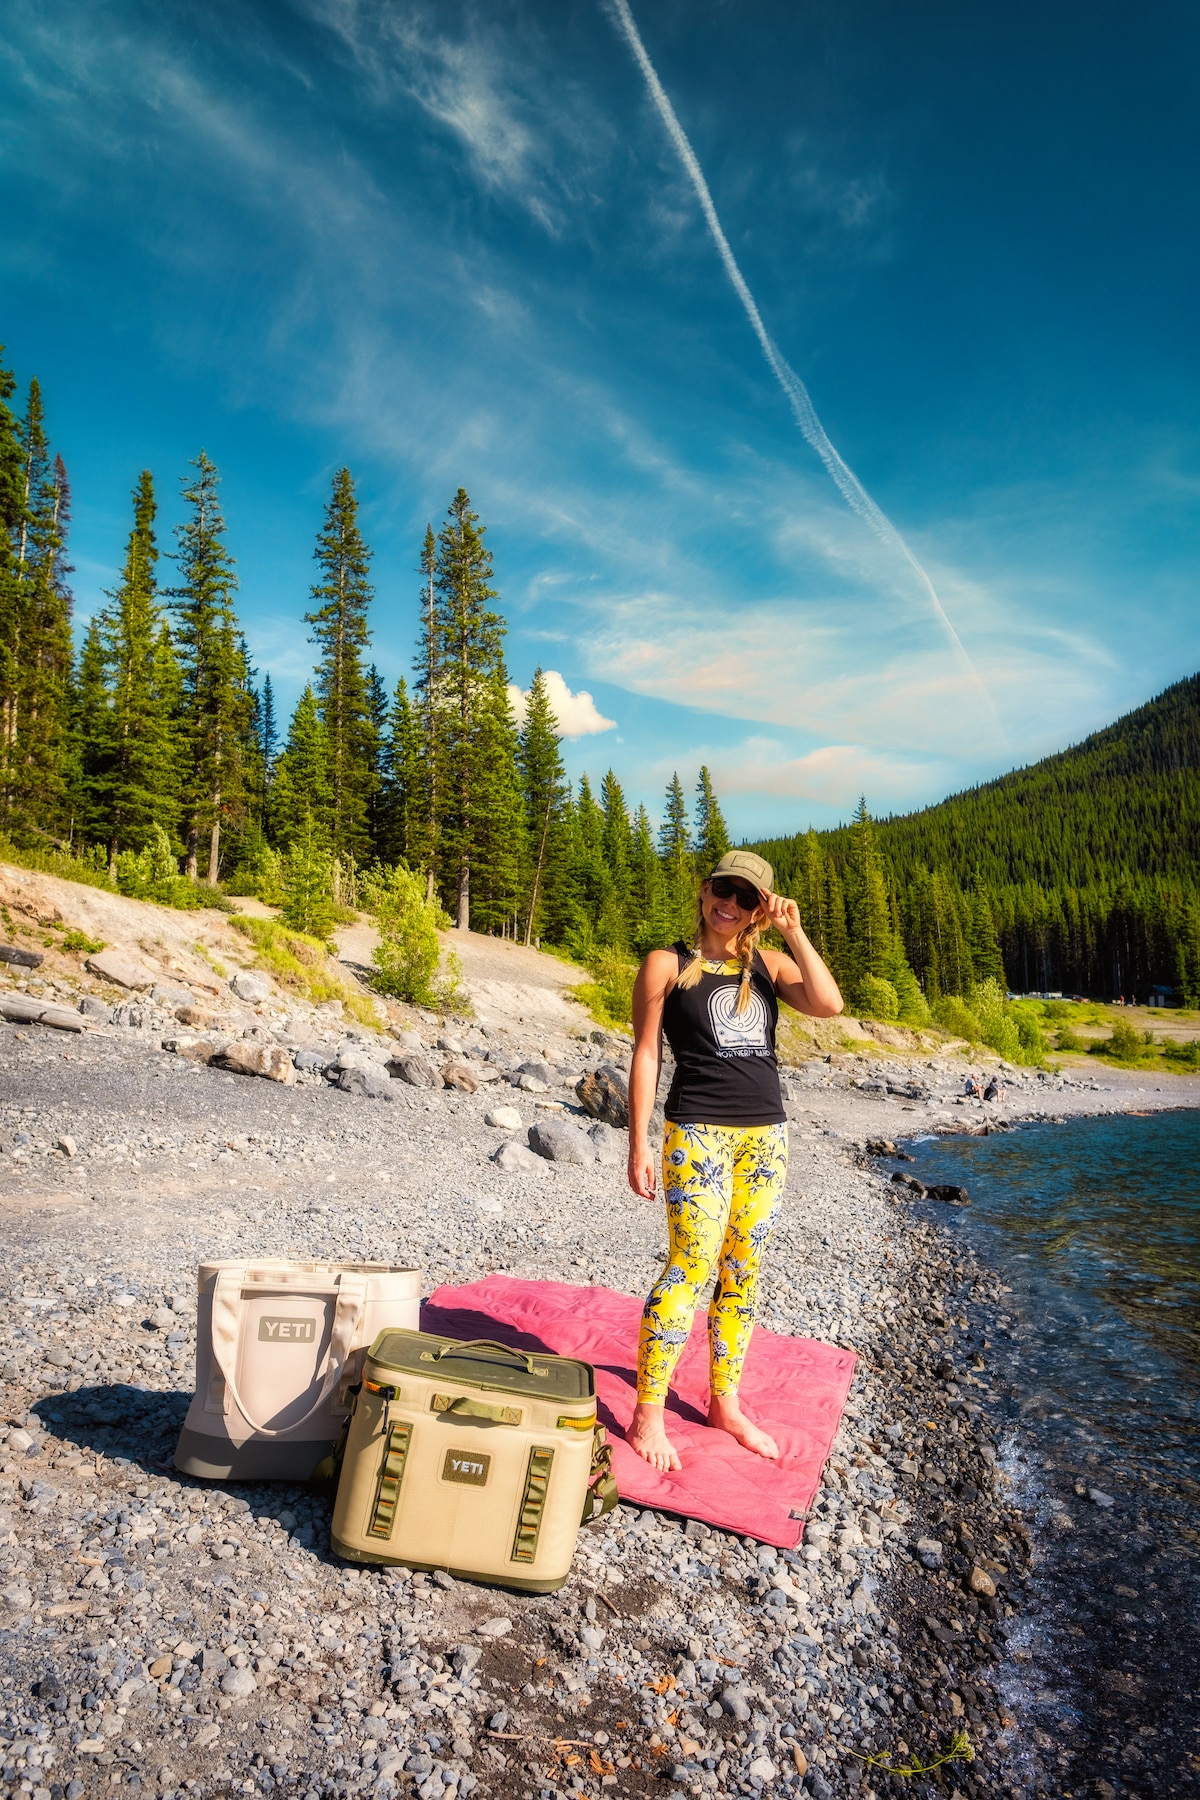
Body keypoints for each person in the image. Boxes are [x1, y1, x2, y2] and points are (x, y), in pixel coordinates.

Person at [625, 850, 844, 1473]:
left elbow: (828, 1005)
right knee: (690, 1265)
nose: (731, 903)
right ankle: (648, 1411)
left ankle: (725, 1402)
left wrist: (794, 933)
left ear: (760, 909)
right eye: (724, 888)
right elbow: (646, 1055)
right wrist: (637, 1141)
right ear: (704, 890)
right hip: (696, 1133)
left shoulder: (770, 965)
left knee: (743, 1268)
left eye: (747, 898)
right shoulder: (666, 965)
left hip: (764, 1139)